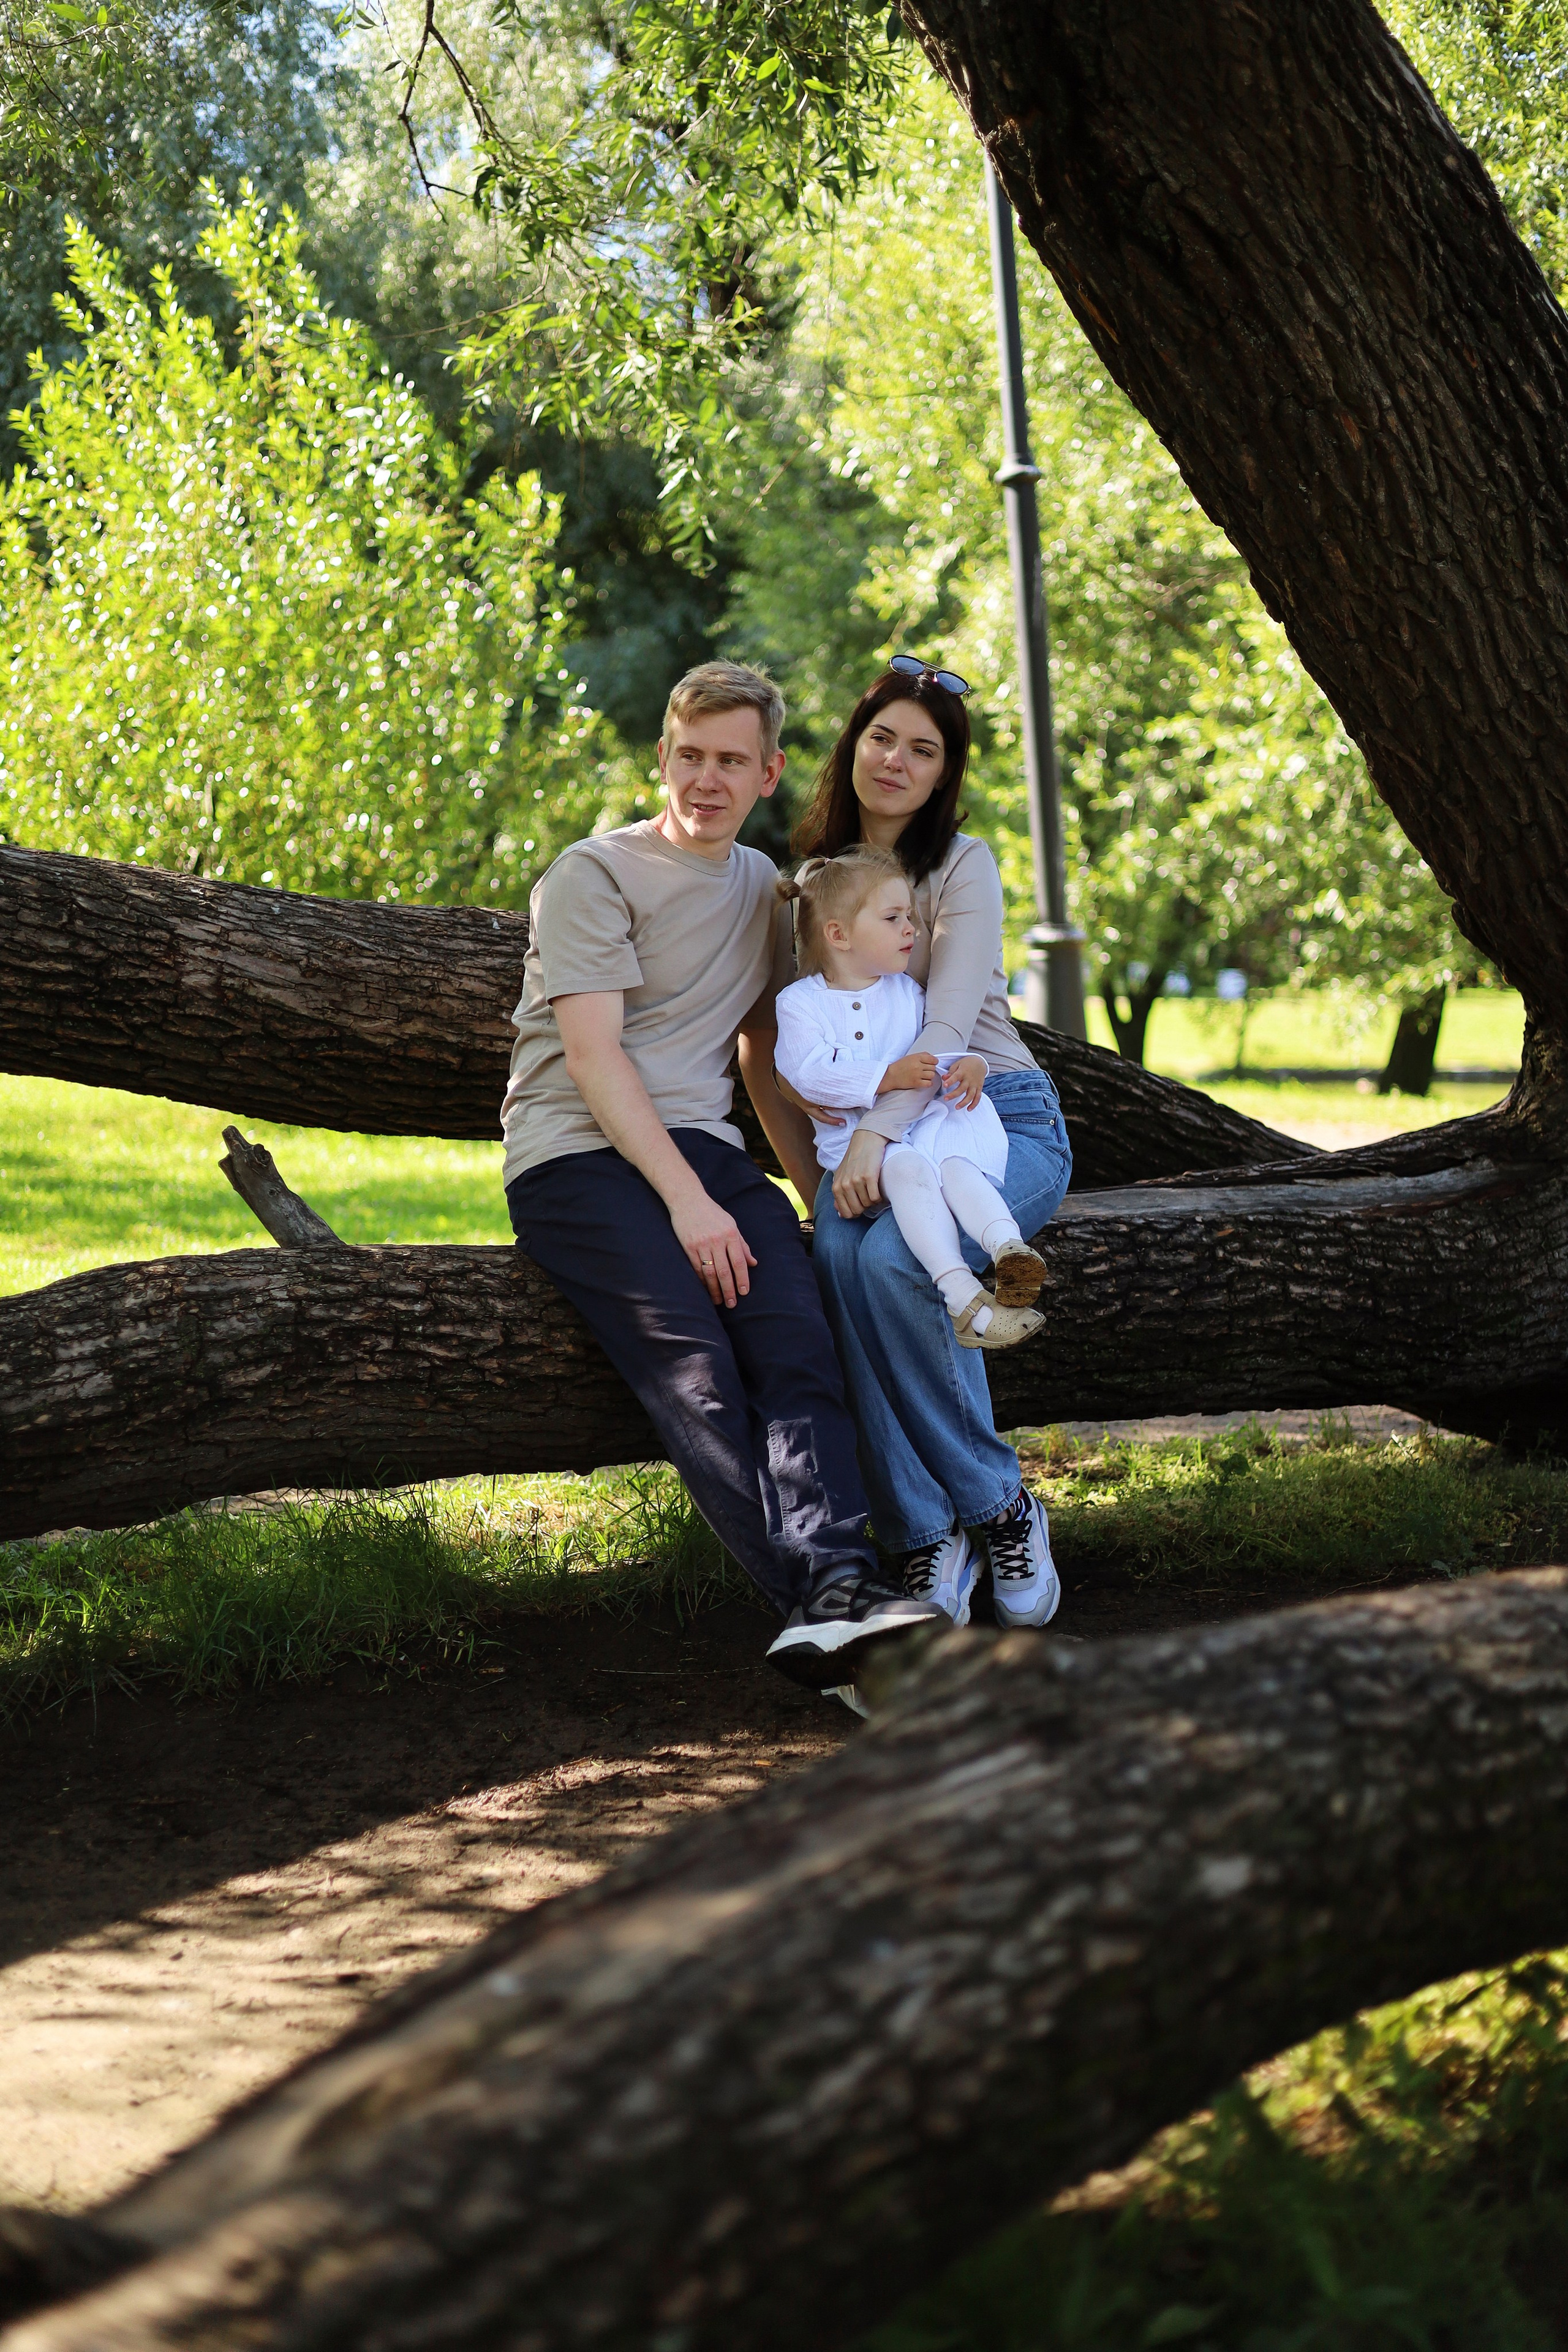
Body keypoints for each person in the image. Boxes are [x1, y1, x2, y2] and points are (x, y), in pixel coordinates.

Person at [500, 660, 944, 1700]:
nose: (706, 778)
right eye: (689, 755)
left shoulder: (765, 891)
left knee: (796, 1339)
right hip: (575, 1156)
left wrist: (807, 1185)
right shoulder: (591, 874)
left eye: (730, 761)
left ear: (767, 774)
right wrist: (692, 1204)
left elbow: (765, 1045)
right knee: (699, 1369)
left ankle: (839, 1594)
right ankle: (835, 1615)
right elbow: (596, 1058)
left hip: (704, 1149)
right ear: (662, 758)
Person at [777, 657, 1073, 1632]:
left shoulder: (963, 866)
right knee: (837, 1253)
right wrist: (821, 1177)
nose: (896, 760)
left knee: (901, 1261)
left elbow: (944, 1032)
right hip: (867, 1148)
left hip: (994, 1121)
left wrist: (870, 1138)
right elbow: (770, 1048)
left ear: (946, 772)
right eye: (882, 737)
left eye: (924, 749)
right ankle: (922, 1535)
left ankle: (1000, 1507)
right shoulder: (812, 877)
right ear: (853, 743)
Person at [774, 846, 1047, 1349]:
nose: (912, 930)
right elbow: (808, 1075)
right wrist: (886, 1076)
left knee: (956, 1165)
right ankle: (963, 1297)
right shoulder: (800, 1004)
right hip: (859, 1151)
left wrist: (971, 1065)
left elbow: (935, 1053)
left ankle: (1009, 1250)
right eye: (894, 918)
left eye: (912, 917)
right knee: (909, 1170)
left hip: (920, 1129)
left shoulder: (905, 992)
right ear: (839, 935)